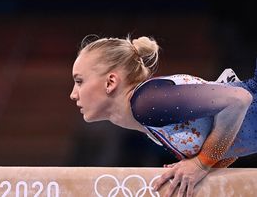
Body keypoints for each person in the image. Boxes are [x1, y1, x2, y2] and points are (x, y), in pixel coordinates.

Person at [69, 34, 257, 197]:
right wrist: (206, 167)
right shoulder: (149, 118)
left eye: (79, 81)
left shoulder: (147, 103)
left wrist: (201, 164)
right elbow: (235, 135)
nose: (73, 94)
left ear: (110, 82)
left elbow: (239, 99)